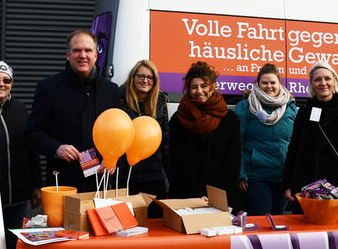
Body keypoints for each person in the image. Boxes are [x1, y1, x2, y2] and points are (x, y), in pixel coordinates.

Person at [26, 30, 119, 192]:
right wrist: (56, 148)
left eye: (88, 50)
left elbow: (120, 133)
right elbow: (33, 133)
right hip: (61, 181)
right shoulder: (48, 88)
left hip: (99, 180)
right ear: (68, 55)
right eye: (77, 50)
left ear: (95, 55)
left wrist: (114, 158)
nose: (82, 55)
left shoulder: (111, 91)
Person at [283, 61, 338, 212]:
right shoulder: (304, 112)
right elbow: (293, 150)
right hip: (305, 189)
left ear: (334, 80)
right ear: (311, 84)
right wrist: (288, 184)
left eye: (327, 78)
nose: (323, 83)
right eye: (317, 79)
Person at [0, 60, 42, 230]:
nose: (1, 84)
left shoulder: (19, 109)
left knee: (13, 244)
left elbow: (31, 149)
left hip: (18, 197)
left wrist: (37, 186)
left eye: (6, 80)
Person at [169, 61, 241, 211]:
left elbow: (233, 159)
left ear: (212, 87)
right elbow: (178, 159)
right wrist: (197, 194)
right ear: (188, 89)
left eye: (204, 86)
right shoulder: (178, 118)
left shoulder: (230, 118)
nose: (199, 91)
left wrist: (216, 194)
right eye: (194, 87)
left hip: (222, 195)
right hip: (187, 195)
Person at [235, 64, 297, 215]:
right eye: (264, 83)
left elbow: (296, 145)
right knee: (260, 222)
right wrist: (241, 174)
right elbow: (237, 142)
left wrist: (292, 177)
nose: (269, 86)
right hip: (256, 177)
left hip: (282, 176)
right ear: (257, 84)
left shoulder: (290, 108)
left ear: (279, 84)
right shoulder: (246, 106)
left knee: (278, 220)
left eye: (273, 82)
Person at [116, 60, 170, 217]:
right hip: (126, 176)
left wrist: (170, 176)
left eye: (149, 77)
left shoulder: (159, 102)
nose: (145, 81)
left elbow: (165, 142)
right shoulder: (119, 99)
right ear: (133, 77)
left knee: (156, 226)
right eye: (141, 76)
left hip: (153, 175)